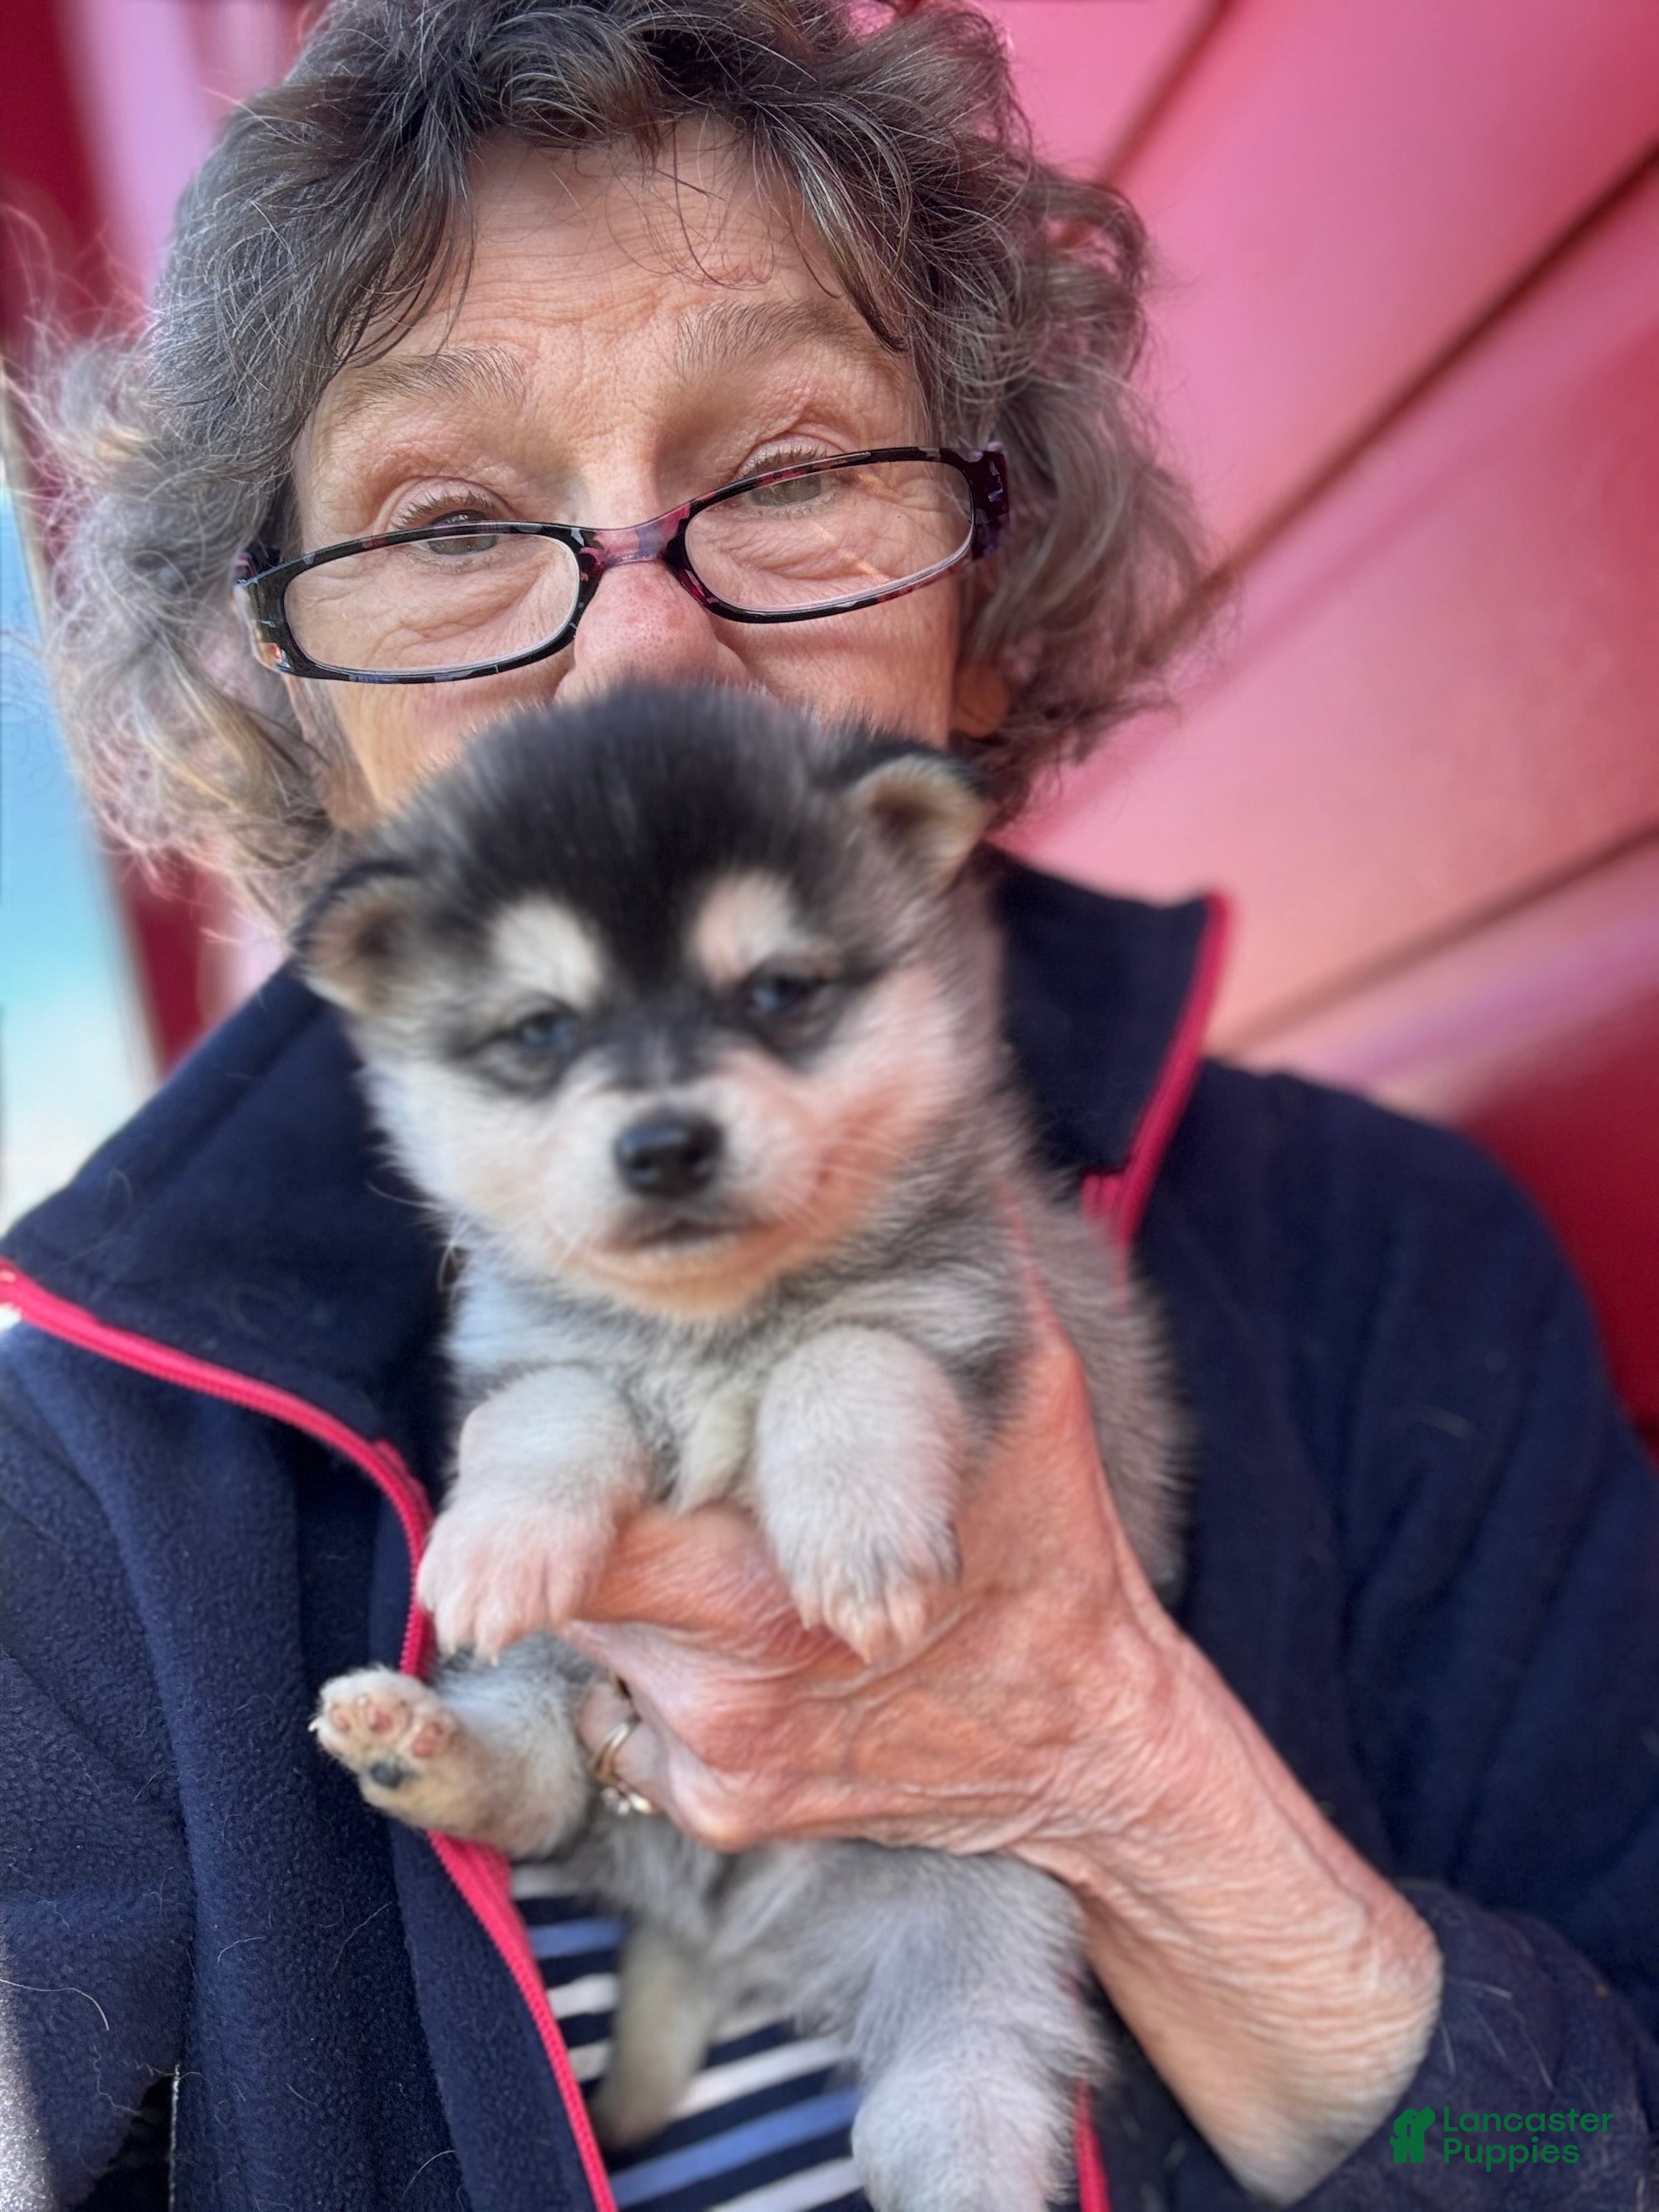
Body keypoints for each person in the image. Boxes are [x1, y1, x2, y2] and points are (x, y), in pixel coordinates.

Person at [3, 1, 1655, 2208]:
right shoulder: (81, 1496)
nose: (637, 656)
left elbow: (1598, 2147)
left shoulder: (1385, 1275)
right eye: (450, 516)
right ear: (294, 700)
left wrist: (1122, 1771)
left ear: (983, 593)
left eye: (783, 477)